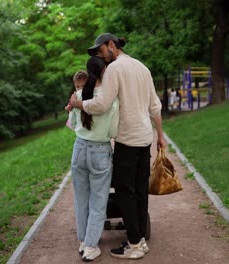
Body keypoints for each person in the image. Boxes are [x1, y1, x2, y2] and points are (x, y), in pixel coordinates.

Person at [70, 33, 166, 260]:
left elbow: (102, 104)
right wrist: (160, 135)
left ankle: (133, 244)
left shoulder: (115, 69)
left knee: (125, 193)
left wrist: (78, 103)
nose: (101, 57)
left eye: (101, 51)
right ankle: (140, 238)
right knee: (140, 190)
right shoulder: (142, 67)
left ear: (111, 45)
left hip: (127, 140)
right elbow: (155, 106)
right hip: (145, 139)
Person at [65, 56, 119, 262]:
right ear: (104, 72)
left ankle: (83, 240)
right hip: (100, 151)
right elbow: (114, 130)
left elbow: (72, 123)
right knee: (98, 201)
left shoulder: (77, 96)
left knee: (81, 199)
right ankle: (90, 246)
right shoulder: (109, 98)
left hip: (79, 148)